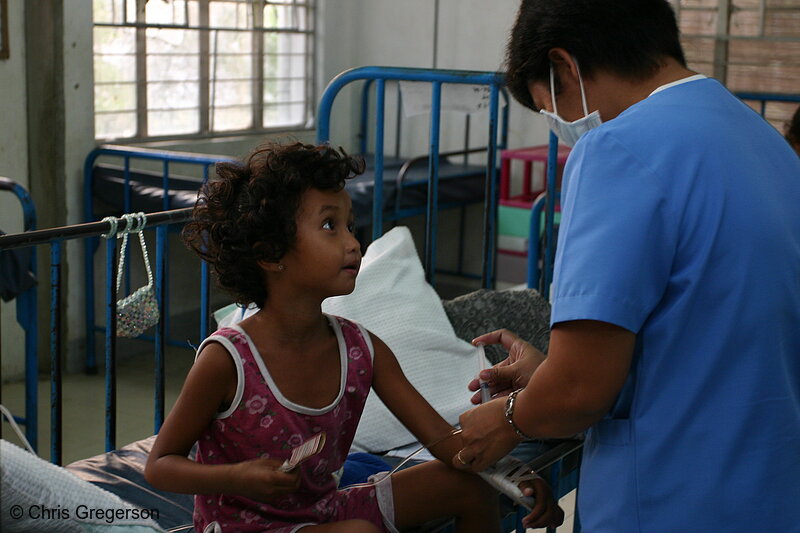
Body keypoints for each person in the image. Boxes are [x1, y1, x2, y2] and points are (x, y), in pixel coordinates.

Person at [451, 1, 800, 532]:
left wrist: (508, 417)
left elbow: (580, 391)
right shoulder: (763, 142)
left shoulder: (618, 148)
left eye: (555, 111)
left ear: (565, 66)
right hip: (769, 491)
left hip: (673, 499)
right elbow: (710, 337)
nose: (564, 130)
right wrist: (550, 372)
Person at [144, 141, 563, 533]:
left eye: (350, 225)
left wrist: (511, 474)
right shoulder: (227, 360)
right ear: (271, 254)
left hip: (323, 508)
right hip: (245, 526)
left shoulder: (363, 349)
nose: (353, 243)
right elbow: (161, 465)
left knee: (467, 488)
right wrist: (235, 478)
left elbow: (445, 443)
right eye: (330, 225)